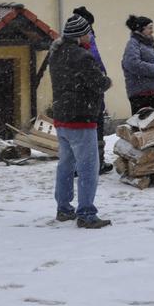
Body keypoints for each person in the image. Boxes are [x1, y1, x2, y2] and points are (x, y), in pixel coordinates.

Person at [49, 12, 112, 228]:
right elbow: (98, 83)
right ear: (80, 35)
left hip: (62, 118)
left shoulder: (56, 54)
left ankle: (64, 208)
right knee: (88, 168)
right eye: (88, 33)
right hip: (81, 118)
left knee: (66, 165)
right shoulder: (81, 57)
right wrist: (107, 81)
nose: (91, 36)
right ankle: (86, 213)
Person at [71, 6, 113, 175]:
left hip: (79, 95)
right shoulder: (87, 41)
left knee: (82, 131)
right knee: (95, 127)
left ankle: (81, 164)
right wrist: (102, 76)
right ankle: (96, 163)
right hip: (91, 92)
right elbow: (95, 59)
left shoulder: (69, 42)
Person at [122, 15, 154, 114]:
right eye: (150, 28)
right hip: (141, 94)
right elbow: (132, 64)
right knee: (144, 124)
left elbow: (153, 62)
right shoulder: (133, 44)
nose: (152, 31)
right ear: (141, 29)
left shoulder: (148, 45)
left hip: (152, 92)